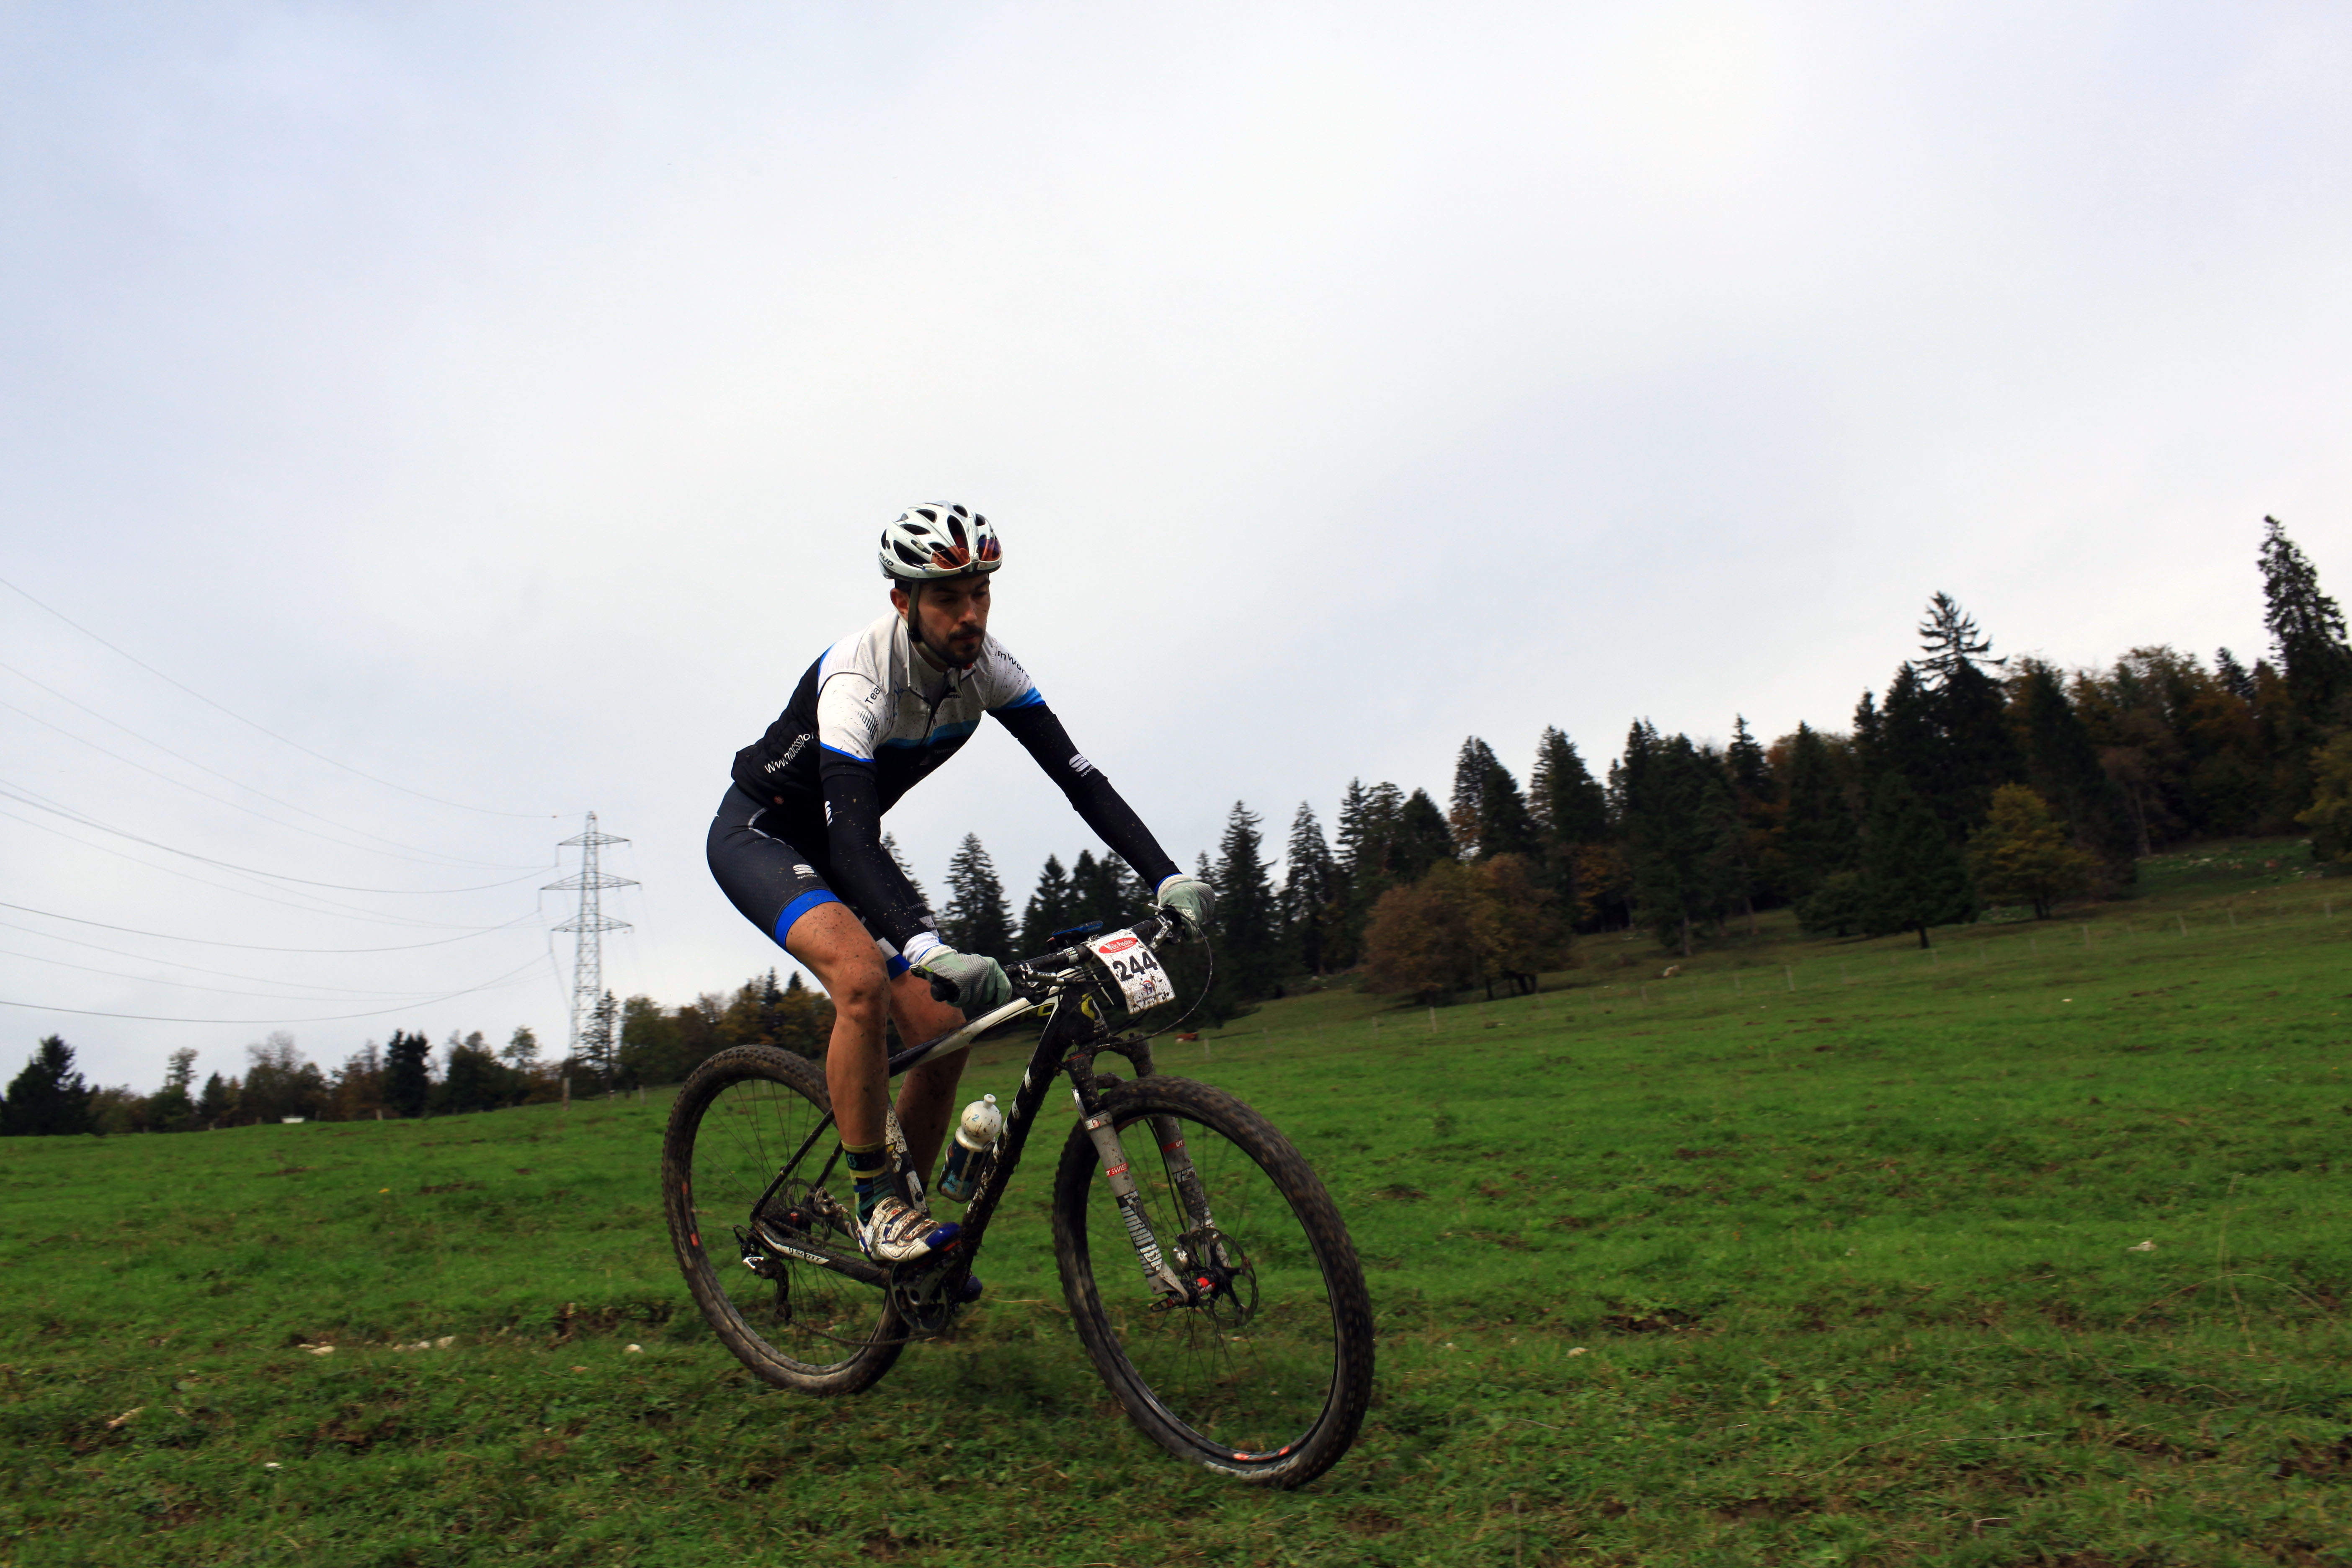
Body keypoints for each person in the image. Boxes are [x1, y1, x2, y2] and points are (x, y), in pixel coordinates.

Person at [707, 503, 1215, 1264]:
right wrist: (924, 948)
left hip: (848, 850)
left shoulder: (989, 668)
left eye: (981, 593)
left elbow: (1079, 779)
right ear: (902, 601)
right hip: (765, 837)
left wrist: (1166, 876)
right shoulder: (857, 680)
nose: (970, 614)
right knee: (861, 980)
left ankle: (911, 1241)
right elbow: (851, 840)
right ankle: (876, 1203)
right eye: (948, 598)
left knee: (943, 1032)